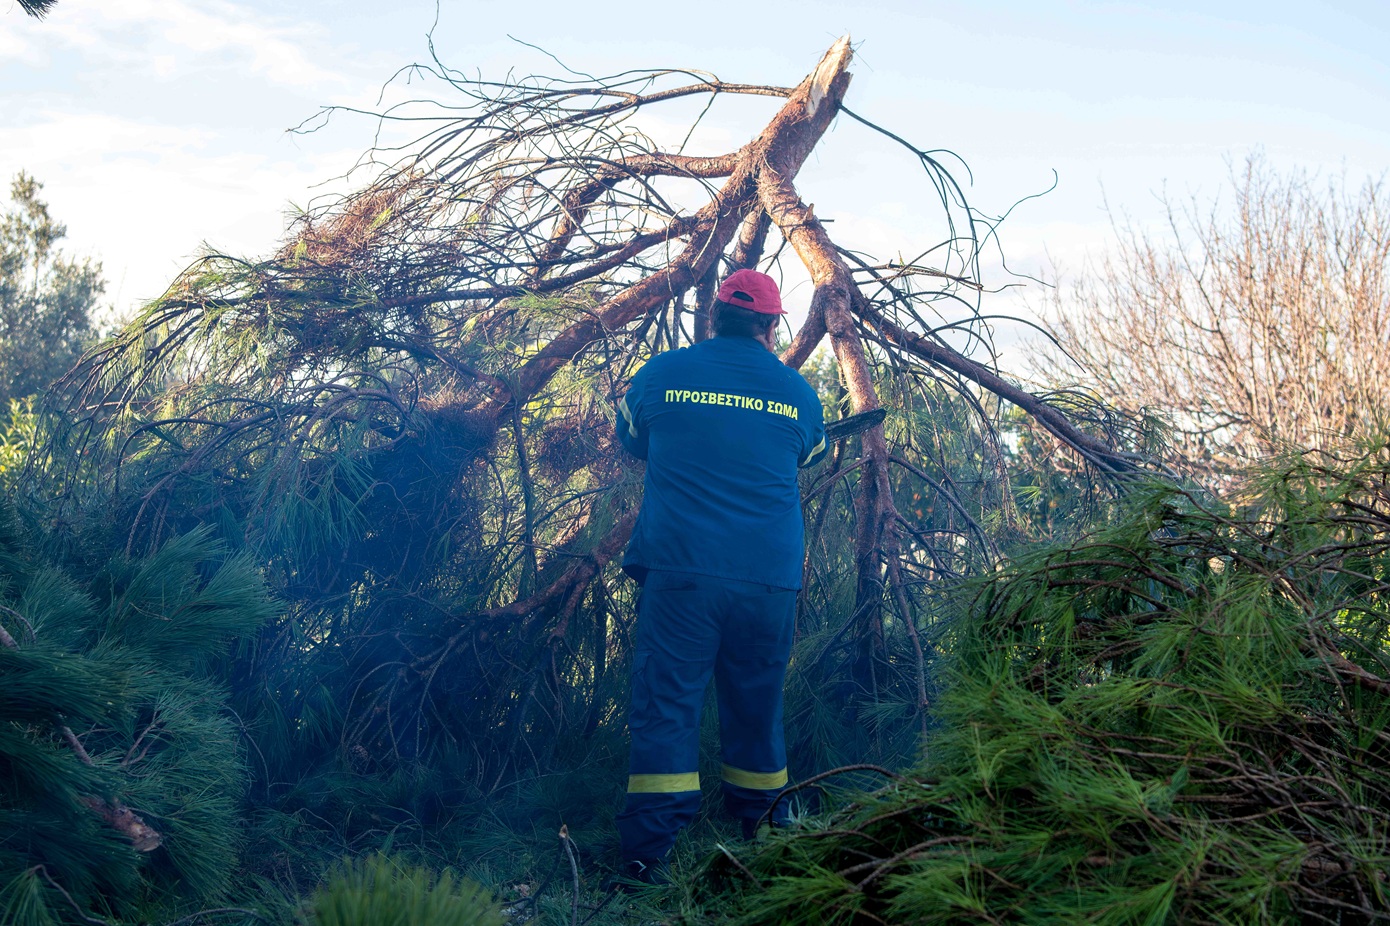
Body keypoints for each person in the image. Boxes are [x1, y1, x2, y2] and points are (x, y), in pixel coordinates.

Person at [612, 268, 827, 884]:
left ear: (714, 318)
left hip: (681, 576)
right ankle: (765, 829)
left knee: (667, 706)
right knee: (757, 705)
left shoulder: (660, 375)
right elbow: (806, 455)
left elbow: (633, 438)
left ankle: (645, 854)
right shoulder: (798, 393)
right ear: (770, 324)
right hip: (768, 580)